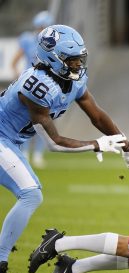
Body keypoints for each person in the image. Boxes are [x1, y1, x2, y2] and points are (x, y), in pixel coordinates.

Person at [0, 25, 129, 273]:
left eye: (79, 58)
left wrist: (126, 143)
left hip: (11, 141)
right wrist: (96, 144)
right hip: (1, 137)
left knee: (30, 194)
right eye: (71, 59)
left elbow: (96, 115)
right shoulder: (38, 85)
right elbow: (53, 143)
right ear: (52, 58)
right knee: (31, 194)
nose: (77, 64)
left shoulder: (72, 79)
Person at [11, 11, 55, 168]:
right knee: (25, 121)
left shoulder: (52, 44)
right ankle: (24, 154)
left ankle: (36, 155)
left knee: (42, 122)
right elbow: (14, 62)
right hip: (29, 86)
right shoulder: (28, 39)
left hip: (45, 87)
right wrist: (19, 79)